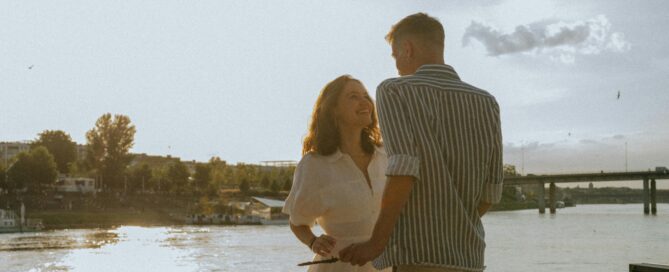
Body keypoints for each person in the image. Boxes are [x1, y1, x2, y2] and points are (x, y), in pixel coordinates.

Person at [339, 13, 504, 272]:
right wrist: (452, 226)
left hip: (418, 259)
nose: (397, 67)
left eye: (395, 58)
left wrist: (376, 243)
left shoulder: (395, 90)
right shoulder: (487, 102)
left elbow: (404, 167)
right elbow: (491, 191)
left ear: (407, 49)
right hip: (470, 260)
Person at [283, 75, 391, 272]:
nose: (364, 101)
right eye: (353, 96)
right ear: (334, 110)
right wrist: (313, 241)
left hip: (385, 264)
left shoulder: (386, 154)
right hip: (340, 266)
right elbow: (297, 221)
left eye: (365, 95)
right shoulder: (315, 166)